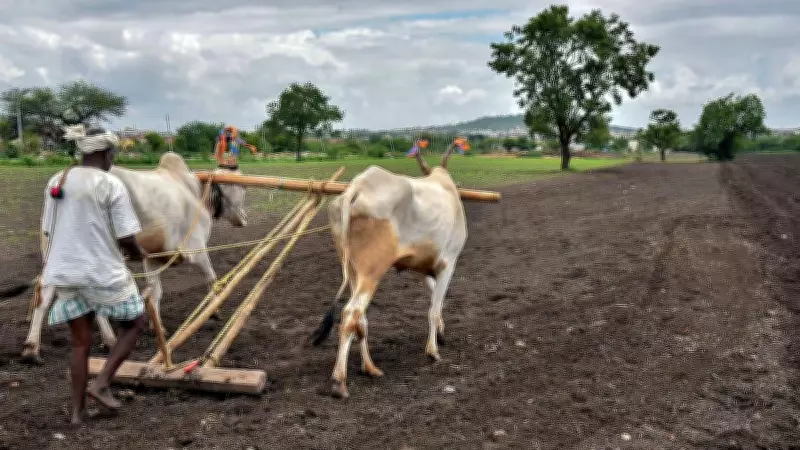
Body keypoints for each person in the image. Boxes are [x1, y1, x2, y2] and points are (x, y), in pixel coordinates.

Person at [42, 124, 148, 424]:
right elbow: (127, 237)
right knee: (135, 322)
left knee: (80, 342)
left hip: (65, 271)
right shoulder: (110, 184)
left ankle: (77, 412)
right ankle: (101, 383)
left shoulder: (57, 179)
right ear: (106, 152)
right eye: (113, 153)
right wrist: (140, 255)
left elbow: (48, 228)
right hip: (102, 273)